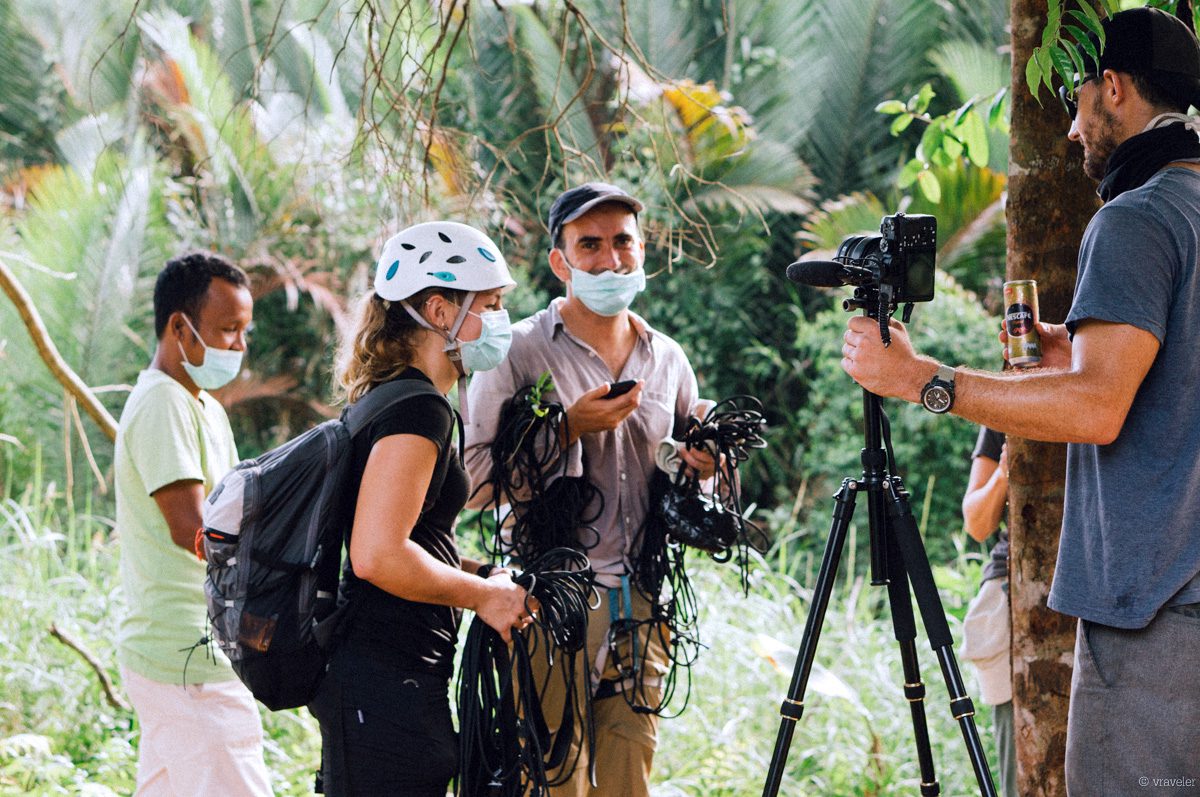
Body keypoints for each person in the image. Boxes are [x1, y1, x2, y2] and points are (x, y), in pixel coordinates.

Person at [839, 8, 1200, 792]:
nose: (1072, 131)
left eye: (1075, 103)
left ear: (1113, 89)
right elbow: (1163, 370)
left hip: (1155, 605)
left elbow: (1098, 408)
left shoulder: (1134, 218)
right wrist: (1073, 349)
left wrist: (923, 380)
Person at [463, 182, 717, 797]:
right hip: (553, 599)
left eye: (623, 242)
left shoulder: (668, 358)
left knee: (631, 775)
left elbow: (694, 478)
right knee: (553, 776)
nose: (610, 260)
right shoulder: (518, 351)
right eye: (590, 245)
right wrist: (568, 428)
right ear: (561, 261)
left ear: (642, 249)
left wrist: (708, 461)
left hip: (645, 599)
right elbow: (474, 484)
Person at [307, 221, 532, 796]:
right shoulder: (417, 410)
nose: (500, 319)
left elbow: (409, 535)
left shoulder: (393, 399)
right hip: (384, 679)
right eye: (491, 304)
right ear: (439, 311)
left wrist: (478, 573)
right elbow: (379, 555)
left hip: (391, 677)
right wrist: (483, 597)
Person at [114, 251, 273, 795]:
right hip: (187, 656)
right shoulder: (163, 403)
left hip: (192, 648)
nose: (239, 346)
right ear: (180, 327)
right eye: (228, 330)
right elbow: (197, 533)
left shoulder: (203, 406)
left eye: (243, 331)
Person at [959, 427, 1015, 797]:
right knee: (1019, 764)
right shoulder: (1006, 400)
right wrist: (1005, 472)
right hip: (1013, 584)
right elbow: (977, 523)